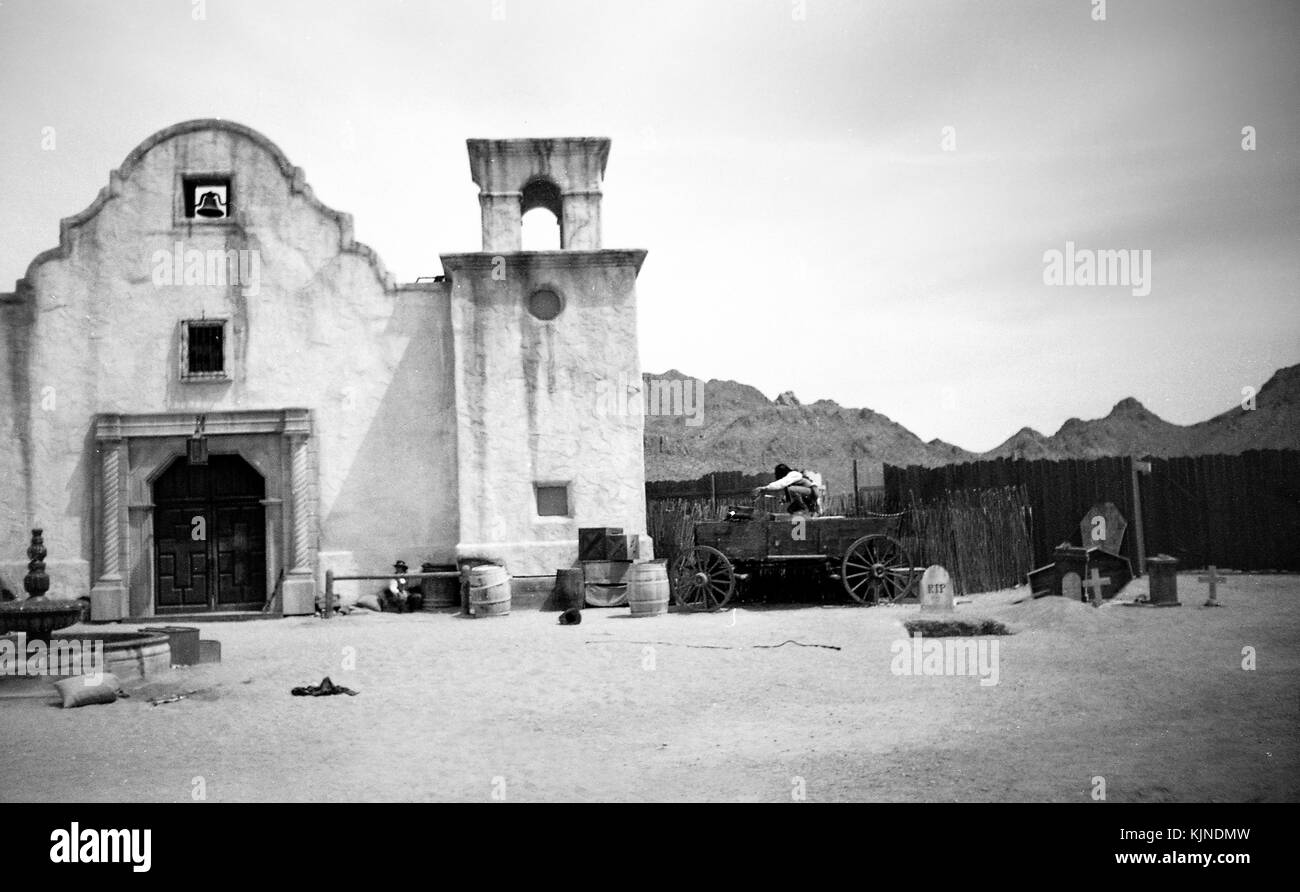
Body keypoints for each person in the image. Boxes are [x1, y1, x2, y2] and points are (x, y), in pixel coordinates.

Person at [754, 463, 821, 515]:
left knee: (791, 489)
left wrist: (765, 488)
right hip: (807, 494)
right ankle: (803, 512)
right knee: (790, 509)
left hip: (810, 492)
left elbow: (782, 483)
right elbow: (795, 492)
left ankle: (800, 506)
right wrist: (784, 500)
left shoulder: (793, 474)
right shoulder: (792, 478)